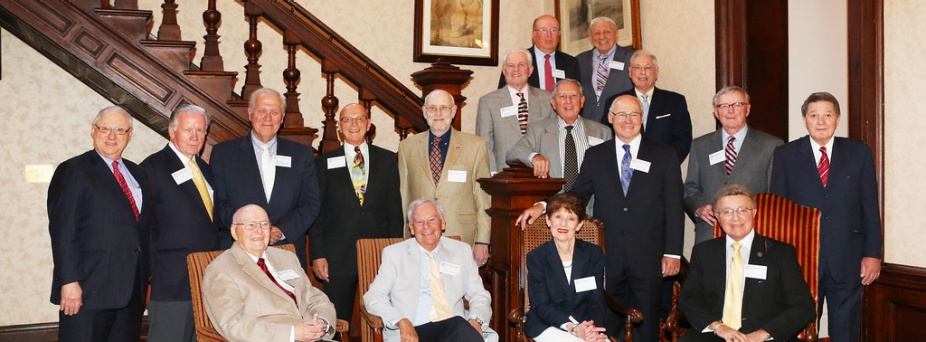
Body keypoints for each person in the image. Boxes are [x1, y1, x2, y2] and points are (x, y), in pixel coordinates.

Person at [517, 95, 684, 341]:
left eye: (634, 114)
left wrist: (673, 253)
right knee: (608, 321)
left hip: (649, 256)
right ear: (610, 118)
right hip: (609, 255)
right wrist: (543, 206)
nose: (628, 120)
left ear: (642, 118)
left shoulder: (664, 154)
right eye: (621, 114)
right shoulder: (596, 155)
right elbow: (578, 193)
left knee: (646, 322)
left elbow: (674, 206)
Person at [770, 92, 882, 342]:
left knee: (846, 331)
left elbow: (870, 207)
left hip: (848, 258)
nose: (821, 122)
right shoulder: (785, 155)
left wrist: (873, 253)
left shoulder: (859, 152)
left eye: (827, 115)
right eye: (814, 115)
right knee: (800, 330)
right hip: (801, 260)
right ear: (805, 119)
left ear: (837, 118)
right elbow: (779, 211)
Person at [47, 106, 152, 341]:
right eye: (105, 129)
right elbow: (63, 232)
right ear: (92, 130)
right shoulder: (73, 170)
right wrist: (69, 281)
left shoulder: (138, 173)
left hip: (131, 293)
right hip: (88, 291)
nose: (111, 136)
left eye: (119, 130)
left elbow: (144, 229)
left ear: (129, 135)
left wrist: (148, 278)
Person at [678, 184, 816, 341]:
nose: (735, 218)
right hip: (715, 335)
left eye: (742, 210)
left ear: (754, 213)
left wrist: (763, 333)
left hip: (764, 337)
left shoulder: (781, 253)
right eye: (727, 211)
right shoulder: (703, 252)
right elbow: (687, 300)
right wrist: (717, 326)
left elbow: (804, 307)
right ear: (717, 217)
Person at [309, 103, 404, 323]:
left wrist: (395, 252)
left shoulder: (388, 160)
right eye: (347, 119)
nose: (354, 124)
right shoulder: (323, 163)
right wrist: (318, 254)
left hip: (378, 253)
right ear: (340, 126)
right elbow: (317, 213)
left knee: (381, 318)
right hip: (337, 256)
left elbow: (394, 210)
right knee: (336, 320)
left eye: (360, 119)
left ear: (368, 124)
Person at [210, 87, 321, 268]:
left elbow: (311, 203)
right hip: (239, 253)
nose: (268, 118)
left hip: (287, 251)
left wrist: (281, 230)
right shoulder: (224, 153)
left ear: (282, 117)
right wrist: (251, 230)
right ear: (250, 114)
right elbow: (219, 203)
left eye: (274, 112)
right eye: (262, 111)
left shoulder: (301, 155)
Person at [363, 199, 497, 342]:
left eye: (432, 220)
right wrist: (400, 320)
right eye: (419, 222)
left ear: (443, 223)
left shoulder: (461, 251)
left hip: (454, 330)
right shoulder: (394, 255)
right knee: (460, 327)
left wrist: (476, 320)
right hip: (415, 331)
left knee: (460, 327)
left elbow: (479, 294)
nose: (426, 226)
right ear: (411, 228)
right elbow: (373, 296)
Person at [141, 105, 221, 342]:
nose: (195, 137)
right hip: (171, 283)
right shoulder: (153, 168)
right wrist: (149, 275)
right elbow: (144, 226)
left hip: (205, 281)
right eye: (188, 130)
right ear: (171, 131)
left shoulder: (204, 169)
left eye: (200, 131)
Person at [202, 204, 336, 342]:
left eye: (264, 224)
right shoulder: (220, 270)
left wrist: (322, 323)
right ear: (234, 232)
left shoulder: (286, 258)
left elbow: (316, 299)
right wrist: (292, 333)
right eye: (250, 225)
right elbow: (233, 325)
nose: (259, 231)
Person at [398, 89, 492, 265]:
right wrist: (405, 237)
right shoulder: (407, 147)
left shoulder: (475, 146)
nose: (438, 113)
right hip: (420, 237)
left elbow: (483, 197)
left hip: (462, 236)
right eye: (432, 108)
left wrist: (483, 240)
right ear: (424, 111)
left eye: (443, 108)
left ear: (453, 111)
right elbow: (405, 196)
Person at [684, 86, 783, 244]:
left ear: (747, 109)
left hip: (755, 233)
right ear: (716, 112)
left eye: (737, 105)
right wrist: (699, 208)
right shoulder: (700, 145)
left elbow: (776, 195)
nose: (730, 111)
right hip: (710, 233)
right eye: (724, 106)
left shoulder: (771, 146)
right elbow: (690, 188)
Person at [525, 193, 608, 342]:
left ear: (579, 224)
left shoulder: (593, 253)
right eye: (558, 217)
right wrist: (573, 328)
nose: (563, 224)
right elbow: (542, 305)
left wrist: (590, 329)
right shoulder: (536, 257)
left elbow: (596, 301)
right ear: (548, 220)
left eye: (571, 219)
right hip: (548, 324)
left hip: (585, 324)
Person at [506, 79, 612, 192]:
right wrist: (534, 157)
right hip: (551, 200)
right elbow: (513, 152)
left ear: (582, 101)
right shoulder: (538, 130)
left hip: (590, 202)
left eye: (574, 95)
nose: (568, 101)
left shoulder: (602, 132)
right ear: (553, 103)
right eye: (562, 96)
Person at [601, 50, 692, 162]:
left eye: (648, 67)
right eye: (637, 67)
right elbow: (607, 136)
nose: (643, 72)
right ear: (630, 72)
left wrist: (665, 164)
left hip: (663, 167)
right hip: (624, 166)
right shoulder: (615, 102)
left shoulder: (675, 101)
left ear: (656, 71)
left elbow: (683, 140)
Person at [477, 48, 555, 173]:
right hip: (503, 175)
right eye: (510, 65)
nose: (516, 69)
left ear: (530, 70)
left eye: (521, 65)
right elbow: (485, 145)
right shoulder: (488, 102)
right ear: (504, 71)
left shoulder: (548, 99)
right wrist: (492, 175)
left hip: (540, 175)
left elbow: (554, 140)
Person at [496, 15, 581, 92]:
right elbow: (502, 94)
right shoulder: (518, 59)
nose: (549, 35)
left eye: (553, 30)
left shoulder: (571, 62)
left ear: (559, 35)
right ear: (534, 34)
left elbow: (577, 95)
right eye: (543, 30)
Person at [577, 17, 635, 123]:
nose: (602, 36)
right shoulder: (579, 60)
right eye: (597, 33)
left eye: (607, 32)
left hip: (621, 122)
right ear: (591, 38)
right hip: (588, 123)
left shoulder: (631, 58)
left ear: (616, 34)